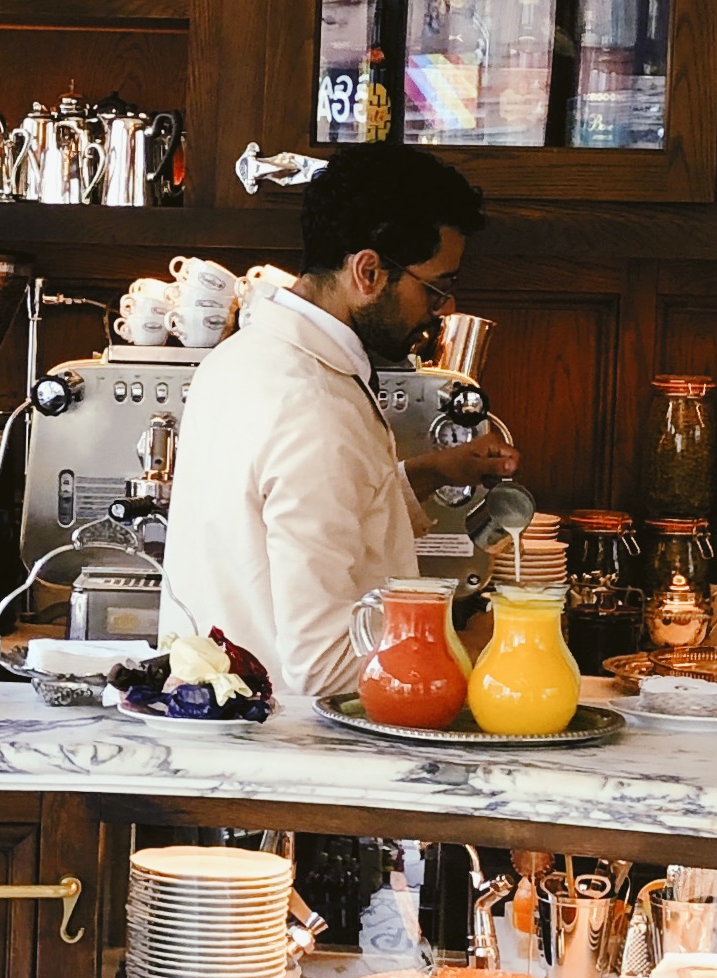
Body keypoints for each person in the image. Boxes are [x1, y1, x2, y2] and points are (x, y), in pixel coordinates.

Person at [159, 147, 519, 701]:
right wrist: (477, 644)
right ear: (369, 271)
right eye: (436, 288)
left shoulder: (238, 358)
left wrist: (433, 472)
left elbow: (288, 510)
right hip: (298, 747)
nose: (442, 310)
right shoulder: (315, 405)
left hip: (221, 726)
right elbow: (322, 663)